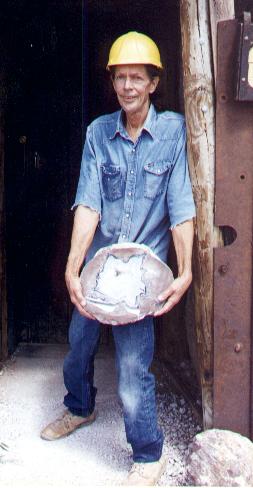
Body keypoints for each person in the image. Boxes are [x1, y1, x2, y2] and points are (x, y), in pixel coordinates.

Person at [40, 32, 196, 486]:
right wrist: (73, 265)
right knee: (79, 345)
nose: (127, 86)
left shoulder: (174, 132)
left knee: (131, 369)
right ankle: (79, 407)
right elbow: (87, 204)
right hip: (100, 268)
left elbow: (181, 205)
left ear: (153, 82)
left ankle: (148, 454)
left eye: (136, 77)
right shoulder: (97, 134)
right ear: (113, 83)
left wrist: (185, 270)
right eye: (120, 77)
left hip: (142, 275)